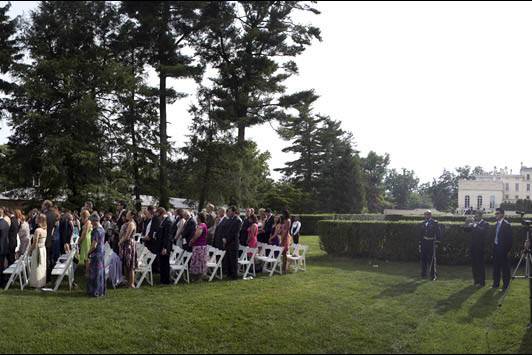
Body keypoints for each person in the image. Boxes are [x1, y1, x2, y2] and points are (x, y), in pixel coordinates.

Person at [464, 211, 488, 287]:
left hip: (480, 248)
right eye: (475, 216)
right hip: (473, 248)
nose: (475, 218)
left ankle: (482, 282)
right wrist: (466, 223)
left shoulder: (485, 224)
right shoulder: (474, 224)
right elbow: (466, 230)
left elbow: (482, 231)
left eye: (476, 216)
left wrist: (475, 225)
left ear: (480, 216)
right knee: (474, 265)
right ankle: (476, 281)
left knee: (480, 265)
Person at [492, 208, 513, 291]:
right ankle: (495, 284)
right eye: (495, 213)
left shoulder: (506, 225)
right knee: (496, 268)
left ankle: (505, 286)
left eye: (497, 213)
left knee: (505, 269)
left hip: (503, 251)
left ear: (502, 214)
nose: (496, 215)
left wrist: (507, 251)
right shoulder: (496, 224)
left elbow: (510, 240)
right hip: (496, 249)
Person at [86, 213, 106, 297]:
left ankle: (94, 291)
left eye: (91, 221)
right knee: (100, 273)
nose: (90, 223)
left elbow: (94, 245)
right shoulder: (102, 229)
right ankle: (100, 291)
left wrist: (88, 252)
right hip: (101, 253)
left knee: (95, 273)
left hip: (96, 253)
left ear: (94, 221)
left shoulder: (96, 231)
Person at [419, 210, 441, 280]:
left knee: (432, 259)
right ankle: (423, 273)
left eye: (428, 214)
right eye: (425, 214)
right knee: (423, 258)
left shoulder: (435, 223)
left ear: (430, 215)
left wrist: (437, 242)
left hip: (431, 242)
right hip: (424, 242)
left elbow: (438, 233)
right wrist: (420, 243)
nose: (426, 216)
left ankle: (433, 275)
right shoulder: (423, 223)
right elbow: (420, 234)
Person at [119, 211, 137, 288]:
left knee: (130, 265)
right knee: (126, 264)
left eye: (128, 214)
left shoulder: (132, 224)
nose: (126, 215)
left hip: (129, 245)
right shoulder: (128, 223)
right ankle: (127, 282)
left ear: (132, 215)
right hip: (126, 244)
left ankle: (131, 283)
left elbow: (127, 236)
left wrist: (120, 242)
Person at [223, 206, 242, 279]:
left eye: (230, 211)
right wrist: (224, 238)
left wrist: (227, 239)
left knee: (233, 260)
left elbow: (234, 232)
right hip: (228, 242)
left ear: (234, 212)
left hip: (233, 242)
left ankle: (234, 275)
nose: (229, 212)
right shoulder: (230, 219)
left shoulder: (237, 220)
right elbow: (226, 230)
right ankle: (229, 274)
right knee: (228, 259)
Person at [29, 213, 47, 288]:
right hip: (43, 249)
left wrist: (30, 250)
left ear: (40, 220)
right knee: (41, 266)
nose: (35, 219)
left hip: (37, 250)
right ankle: (41, 282)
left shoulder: (37, 230)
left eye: (37, 218)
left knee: (36, 266)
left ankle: (36, 283)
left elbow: (35, 243)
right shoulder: (45, 229)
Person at [189, 212, 209, 281]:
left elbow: (197, 235)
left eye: (197, 217)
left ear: (200, 218)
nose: (196, 218)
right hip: (200, 246)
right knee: (198, 262)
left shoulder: (201, 225)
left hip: (199, 247)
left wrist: (191, 241)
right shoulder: (202, 225)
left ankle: (198, 277)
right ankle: (197, 277)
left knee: (198, 262)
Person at [157, 208, 173, 285]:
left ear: (162, 213)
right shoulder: (163, 220)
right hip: (161, 245)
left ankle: (166, 280)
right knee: (162, 263)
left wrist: (165, 248)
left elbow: (168, 236)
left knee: (165, 263)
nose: (158, 216)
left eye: (159, 214)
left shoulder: (168, 221)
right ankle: (162, 279)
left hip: (165, 246)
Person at [0, 208, 10, 287]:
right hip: (4, 246)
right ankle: (3, 281)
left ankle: (2, 282)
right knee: (2, 265)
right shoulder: (6, 222)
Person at [280, 210, 292, 274]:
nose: (282, 215)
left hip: (286, 237)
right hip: (282, 236)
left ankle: (285, 268)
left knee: (285, 253)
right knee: (283, 253)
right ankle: (284, 267)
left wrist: (282, 238)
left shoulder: (288, 220)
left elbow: (287, 230)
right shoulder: (284, 220)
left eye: (283, 214)